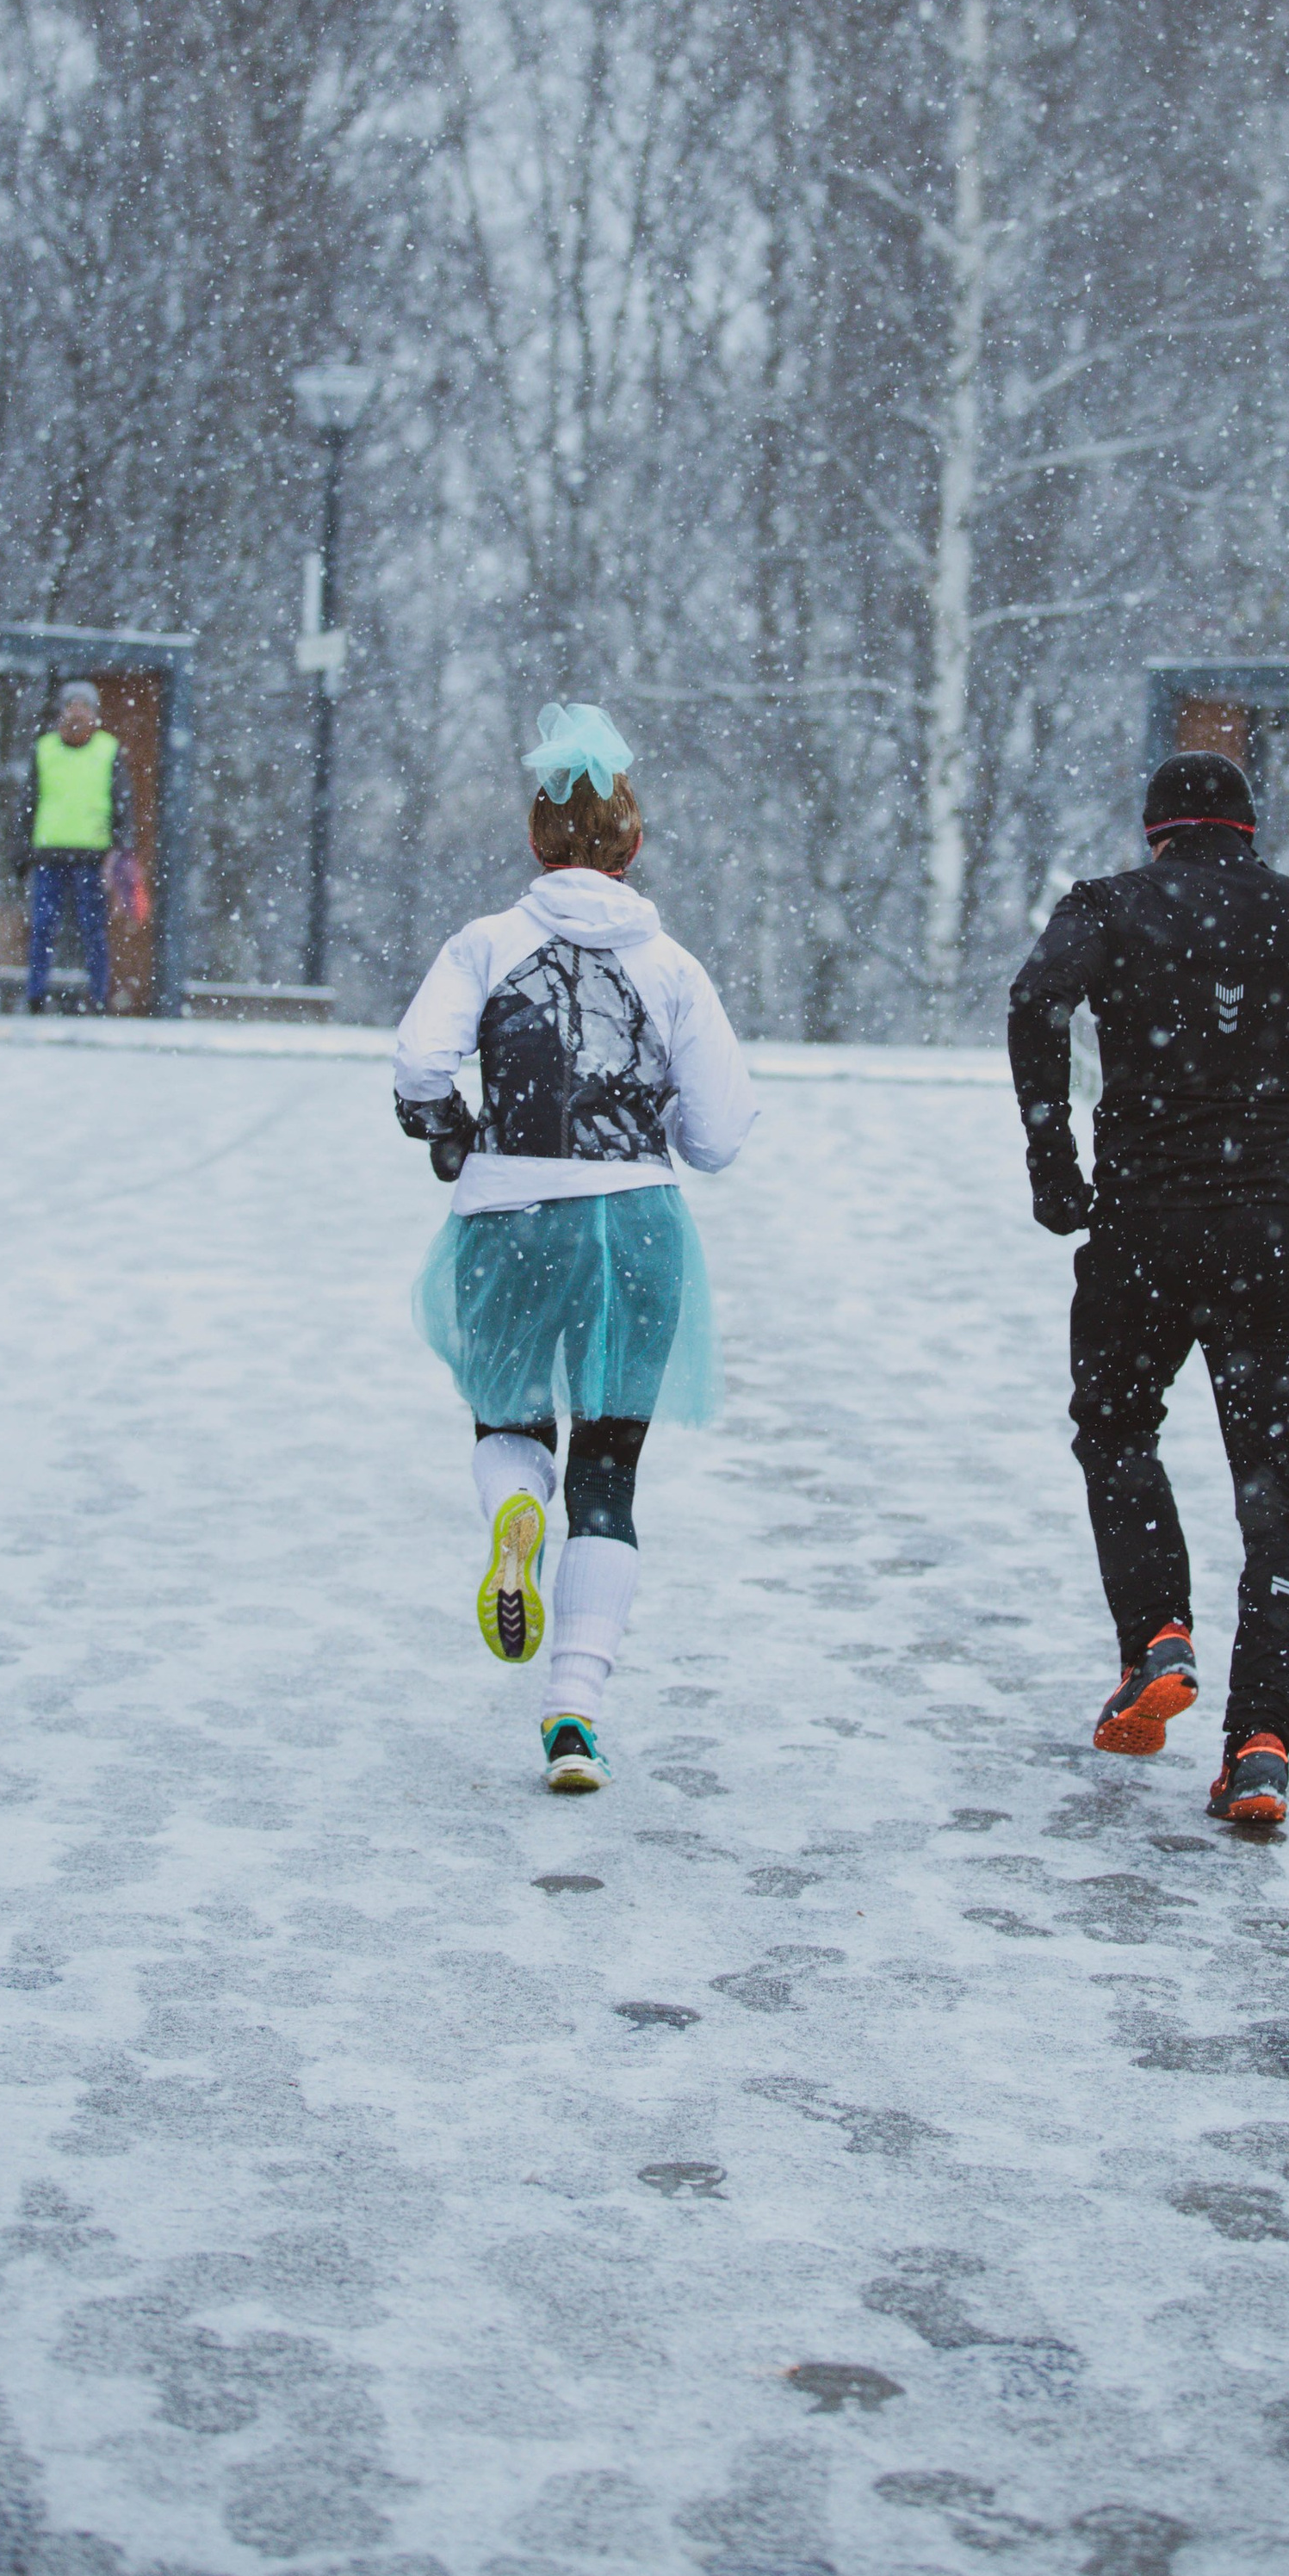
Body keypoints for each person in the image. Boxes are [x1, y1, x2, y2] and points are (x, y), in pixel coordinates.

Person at [1007, 749, 1289, 1831]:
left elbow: (1035, 1000)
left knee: (1116, 1429)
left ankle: (1157, 1636)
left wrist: (1052, 1160)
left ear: (1154, 830)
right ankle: (1259, 1742)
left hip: (1143, 1222)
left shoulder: (1108, 907)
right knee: (1279, 1490)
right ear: (1249, 831)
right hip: (1275, 1240)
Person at [392, 703, 757, 1793]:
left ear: (536, 838)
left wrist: (450, 1124)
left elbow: (419, 1064)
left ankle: (514, 1509)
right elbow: (720, 1135)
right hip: (633, 1225)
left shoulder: (484, 944)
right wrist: (660, 1122)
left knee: (508, 1421)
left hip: (508, 1212)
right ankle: (575, 1713)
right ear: (631, 843)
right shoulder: (673, 966)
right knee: (608, 1474)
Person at [20, 680, 136, 1014]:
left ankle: (98, 997)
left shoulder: (107, 751)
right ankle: (35, 996)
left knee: (93, 930)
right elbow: (28, 801)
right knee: (43, 926)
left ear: (94, 714)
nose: (78, 714)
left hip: (92, 856)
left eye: (85, 707)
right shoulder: (45, 750)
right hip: (49, 853)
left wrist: (120, 847)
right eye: (73, 706)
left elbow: (123, 801)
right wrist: (21, 849)